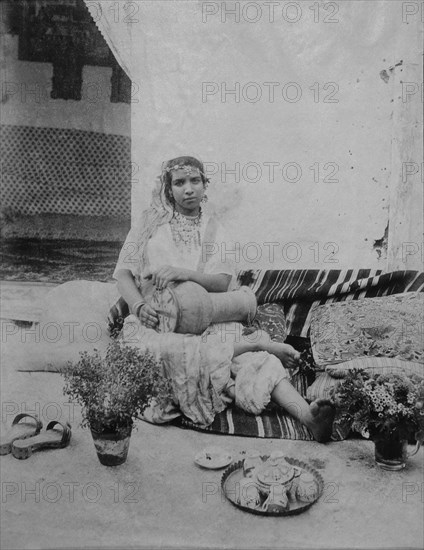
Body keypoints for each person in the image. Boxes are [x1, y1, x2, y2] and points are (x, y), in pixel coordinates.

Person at [114, 156, 335, 442]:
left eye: (195, 181)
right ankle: (231, 369)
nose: (188, 189)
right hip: (156, 322)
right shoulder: (149, 224)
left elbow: (221, 283)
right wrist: (139, 306)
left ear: (205, 186)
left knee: (256, 361)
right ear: (168, 189)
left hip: (205, 315)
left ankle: (308, 416)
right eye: (179, 183)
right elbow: (123, 274)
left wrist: (183, 273)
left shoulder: (215, 229)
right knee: (173, 351)